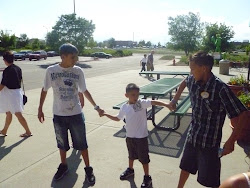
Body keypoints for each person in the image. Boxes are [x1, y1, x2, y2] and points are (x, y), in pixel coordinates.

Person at [168, 51, 248, 188]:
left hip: (210, 144)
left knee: (210, 181)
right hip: (192, 136)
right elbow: (184, 82)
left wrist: (231, 141)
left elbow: (242, 114)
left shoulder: (220, 88)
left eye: (193, 69)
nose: (191, 72)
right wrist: (175, 100)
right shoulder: (192, 80)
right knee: (185, 167)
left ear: (203, 68)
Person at [38, 43, 104, 185]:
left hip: (76, 114)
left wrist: (96, 107)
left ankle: (88, 169)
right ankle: (64, 166)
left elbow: (84, 90)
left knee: (82, 143)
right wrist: (40, 108)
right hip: (59, 115)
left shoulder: (78, 71)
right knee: (62, 144)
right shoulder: (51, 71)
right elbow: (44, 90)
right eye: (73, 57)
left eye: (76, 57)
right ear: (63, 57)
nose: (76, 59)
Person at [101, 83, 171, 188]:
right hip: (130, 136)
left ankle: (147, 177)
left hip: (141, 137)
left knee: (144, 158)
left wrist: (166, 104)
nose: (136, 97)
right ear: (126, 95)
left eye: (137, 94)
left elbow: (153, 102)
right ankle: (130, 170)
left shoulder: (141, 103)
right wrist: (106, 114)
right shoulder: (124, 107)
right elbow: (117, 118)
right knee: (131, 155)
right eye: (133, 95)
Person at [0, 51, 32, 137]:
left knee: (18, 114)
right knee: (9, 112)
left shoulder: (7, 70)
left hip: (11, 95)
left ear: (5, 60)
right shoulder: (18, 68)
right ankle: (4, 130)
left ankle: (28, 132)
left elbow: (2, 84)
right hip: (17, 92)